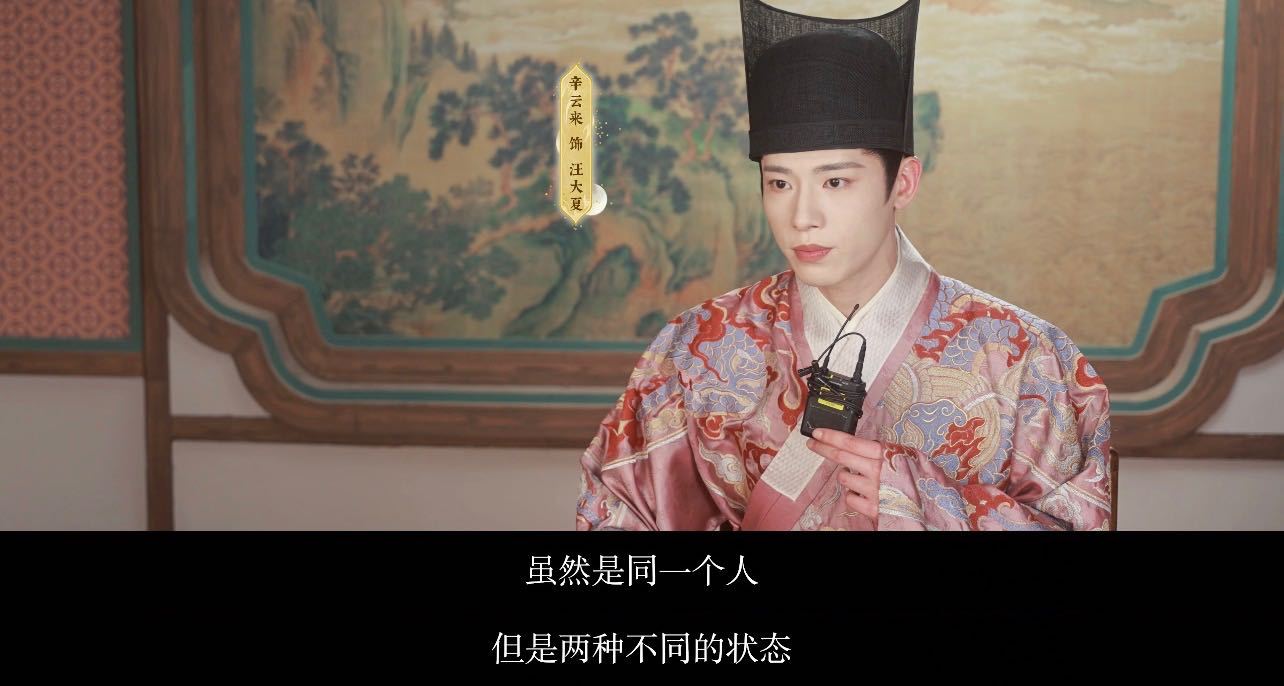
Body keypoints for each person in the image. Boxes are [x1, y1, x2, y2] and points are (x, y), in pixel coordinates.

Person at [575, 0, 1113, 531]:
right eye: (779, 183)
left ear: (903, 183)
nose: (802, 217)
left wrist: (920, 501)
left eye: (835, 181)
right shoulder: (697, 346)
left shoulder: (1026, 357)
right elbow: (616, 522)